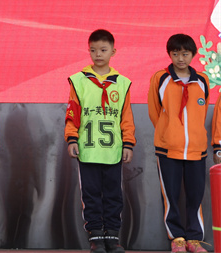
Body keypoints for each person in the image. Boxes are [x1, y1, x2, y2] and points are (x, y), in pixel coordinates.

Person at [65, 30, 135, 253]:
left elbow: (126, 117)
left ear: (113, 52)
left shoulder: (122, 83)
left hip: (112, 150)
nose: (98, 54)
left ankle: (112, 236)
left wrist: (128, 143)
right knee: (91, 195)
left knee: (114, 195)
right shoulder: (79, 81)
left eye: (103, 50)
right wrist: (71, 138)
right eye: (93, 50)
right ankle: (96, 236)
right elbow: (72, 113)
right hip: (87, 150)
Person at [148, 34, 210, 253]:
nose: (180, 58)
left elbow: (202, 112)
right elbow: (155, 111)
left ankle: (194, 239)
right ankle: (177, 239)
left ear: (193, 55)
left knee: (195, 196)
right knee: (170, 196)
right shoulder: (160, 78)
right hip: (168, 148)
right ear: (170, 54)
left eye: (185, 54)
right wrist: (168, 132)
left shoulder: (202, 80)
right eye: (175, 54)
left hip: (196, 149)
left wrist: (195, 134)